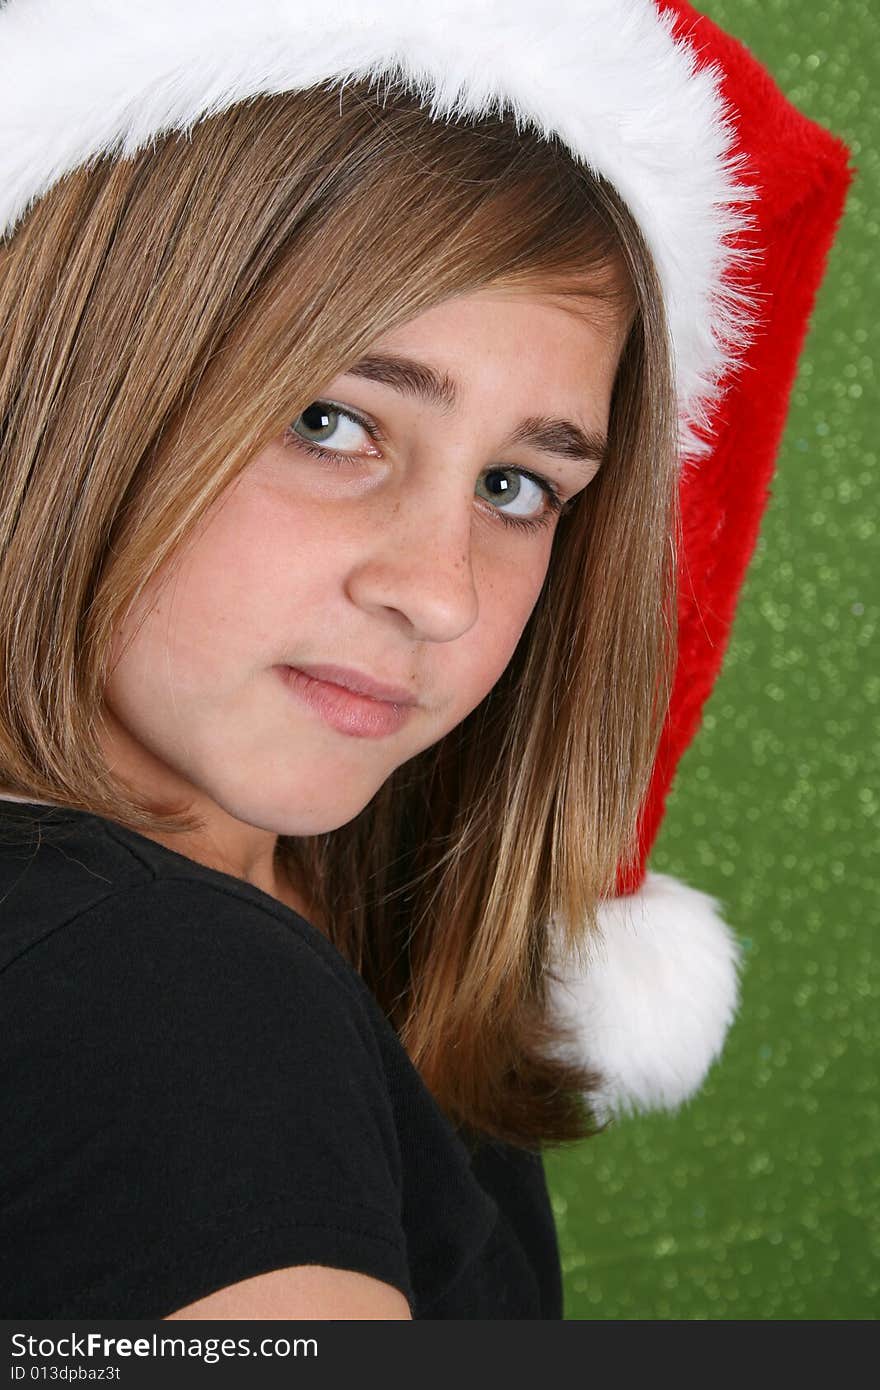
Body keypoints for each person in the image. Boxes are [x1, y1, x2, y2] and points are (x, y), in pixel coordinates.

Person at [0, 0, 852, 1320]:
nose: (438, 593)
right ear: (85, 378)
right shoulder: (179, 991)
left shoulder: (295, 954)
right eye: (331, 420)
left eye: (516, 484)